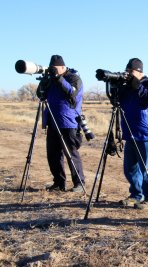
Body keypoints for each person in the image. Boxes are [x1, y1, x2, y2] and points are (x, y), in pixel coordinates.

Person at [118, 58, 148, 210]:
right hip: (131, 133)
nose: (128, 74)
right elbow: (117, 102)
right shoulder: (127, 86)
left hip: (147, 134)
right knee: (131, 168)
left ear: (139, 71)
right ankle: (136, 195)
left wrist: (138, 87)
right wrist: (117, 85)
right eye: (127, 71)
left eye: (131, 71)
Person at [39, 55, 86, 192]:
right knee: (53, 155)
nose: (53, 70)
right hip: (52, 122)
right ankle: (59, 183)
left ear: (62, 67)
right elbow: (40, 94)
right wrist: (45, 80)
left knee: (71, 154)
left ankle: (79, 184)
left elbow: (72, 92)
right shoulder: (51, 79)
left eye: (55, 68)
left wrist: (58, 78)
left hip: (69, 122)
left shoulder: (74, 78)